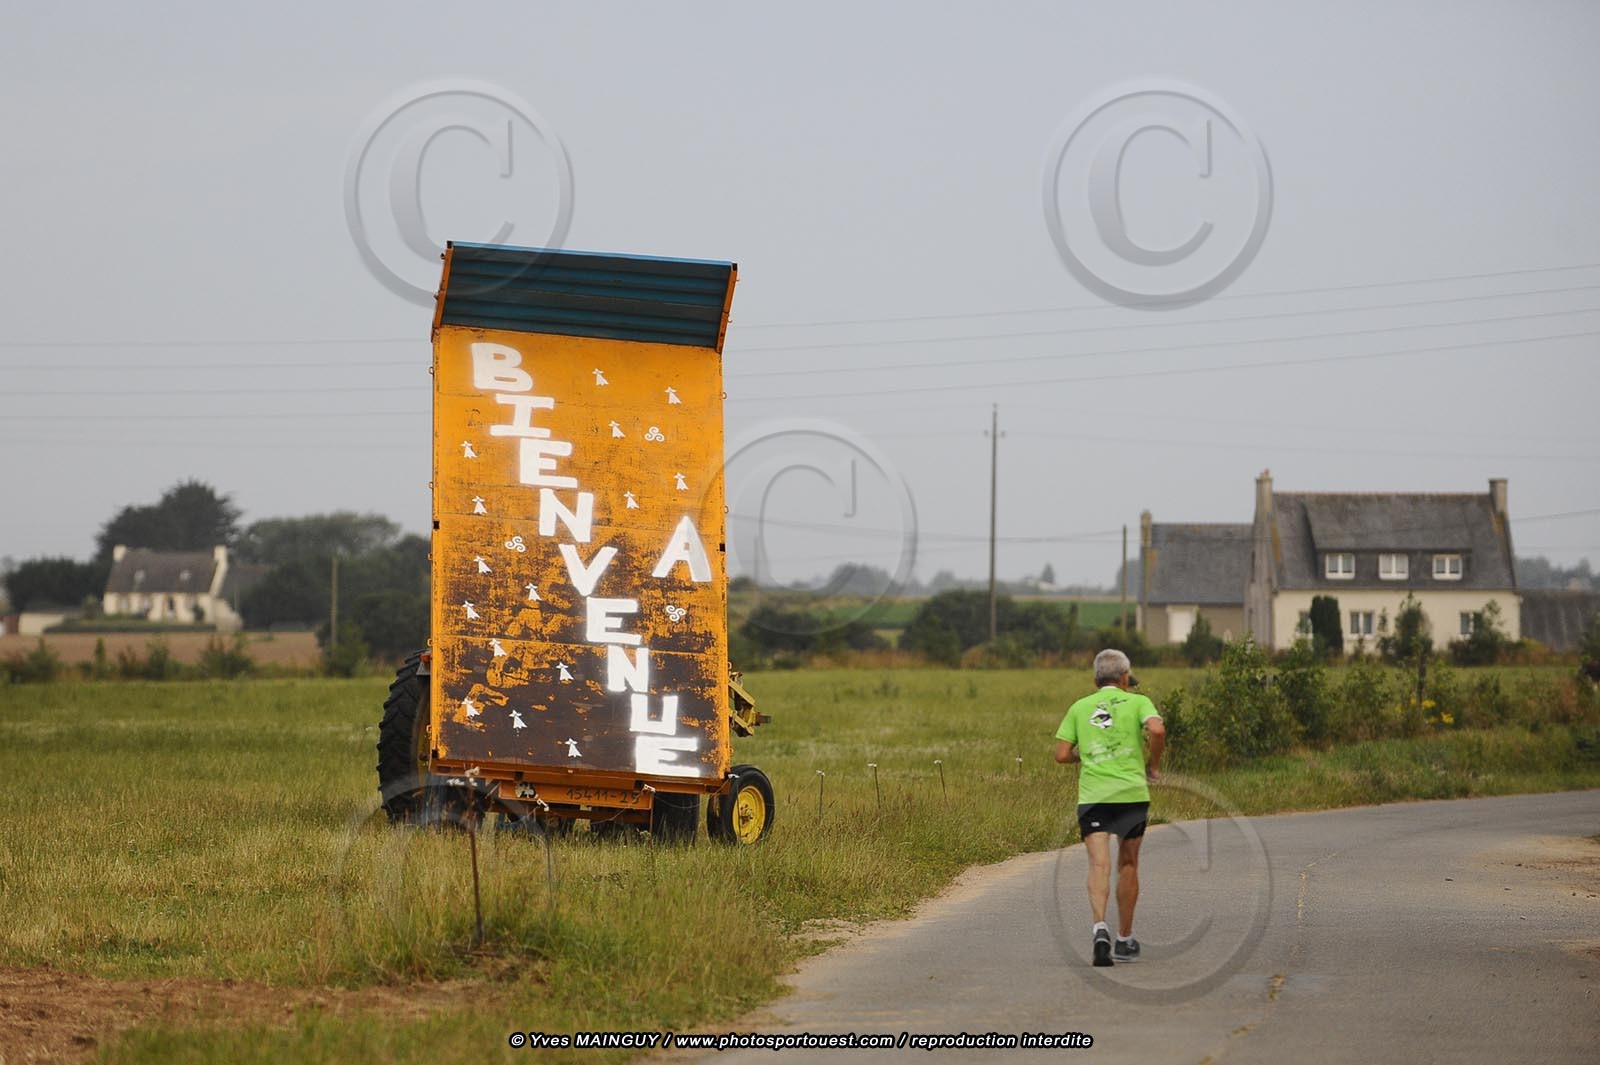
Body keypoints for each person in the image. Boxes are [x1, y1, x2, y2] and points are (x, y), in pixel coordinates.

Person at [1054, 648, 1166, 967]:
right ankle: (1124, 940)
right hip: (1131, 794)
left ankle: (1099, 928)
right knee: (1128, 864)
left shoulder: (1079, 707)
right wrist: (1153, 765)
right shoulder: (1139, 702)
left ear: (1096, 680)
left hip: (1094, 796)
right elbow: (1157, 729)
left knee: (1098, 864)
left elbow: (1061, 754)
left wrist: (1084, 757)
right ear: (1125, 678)